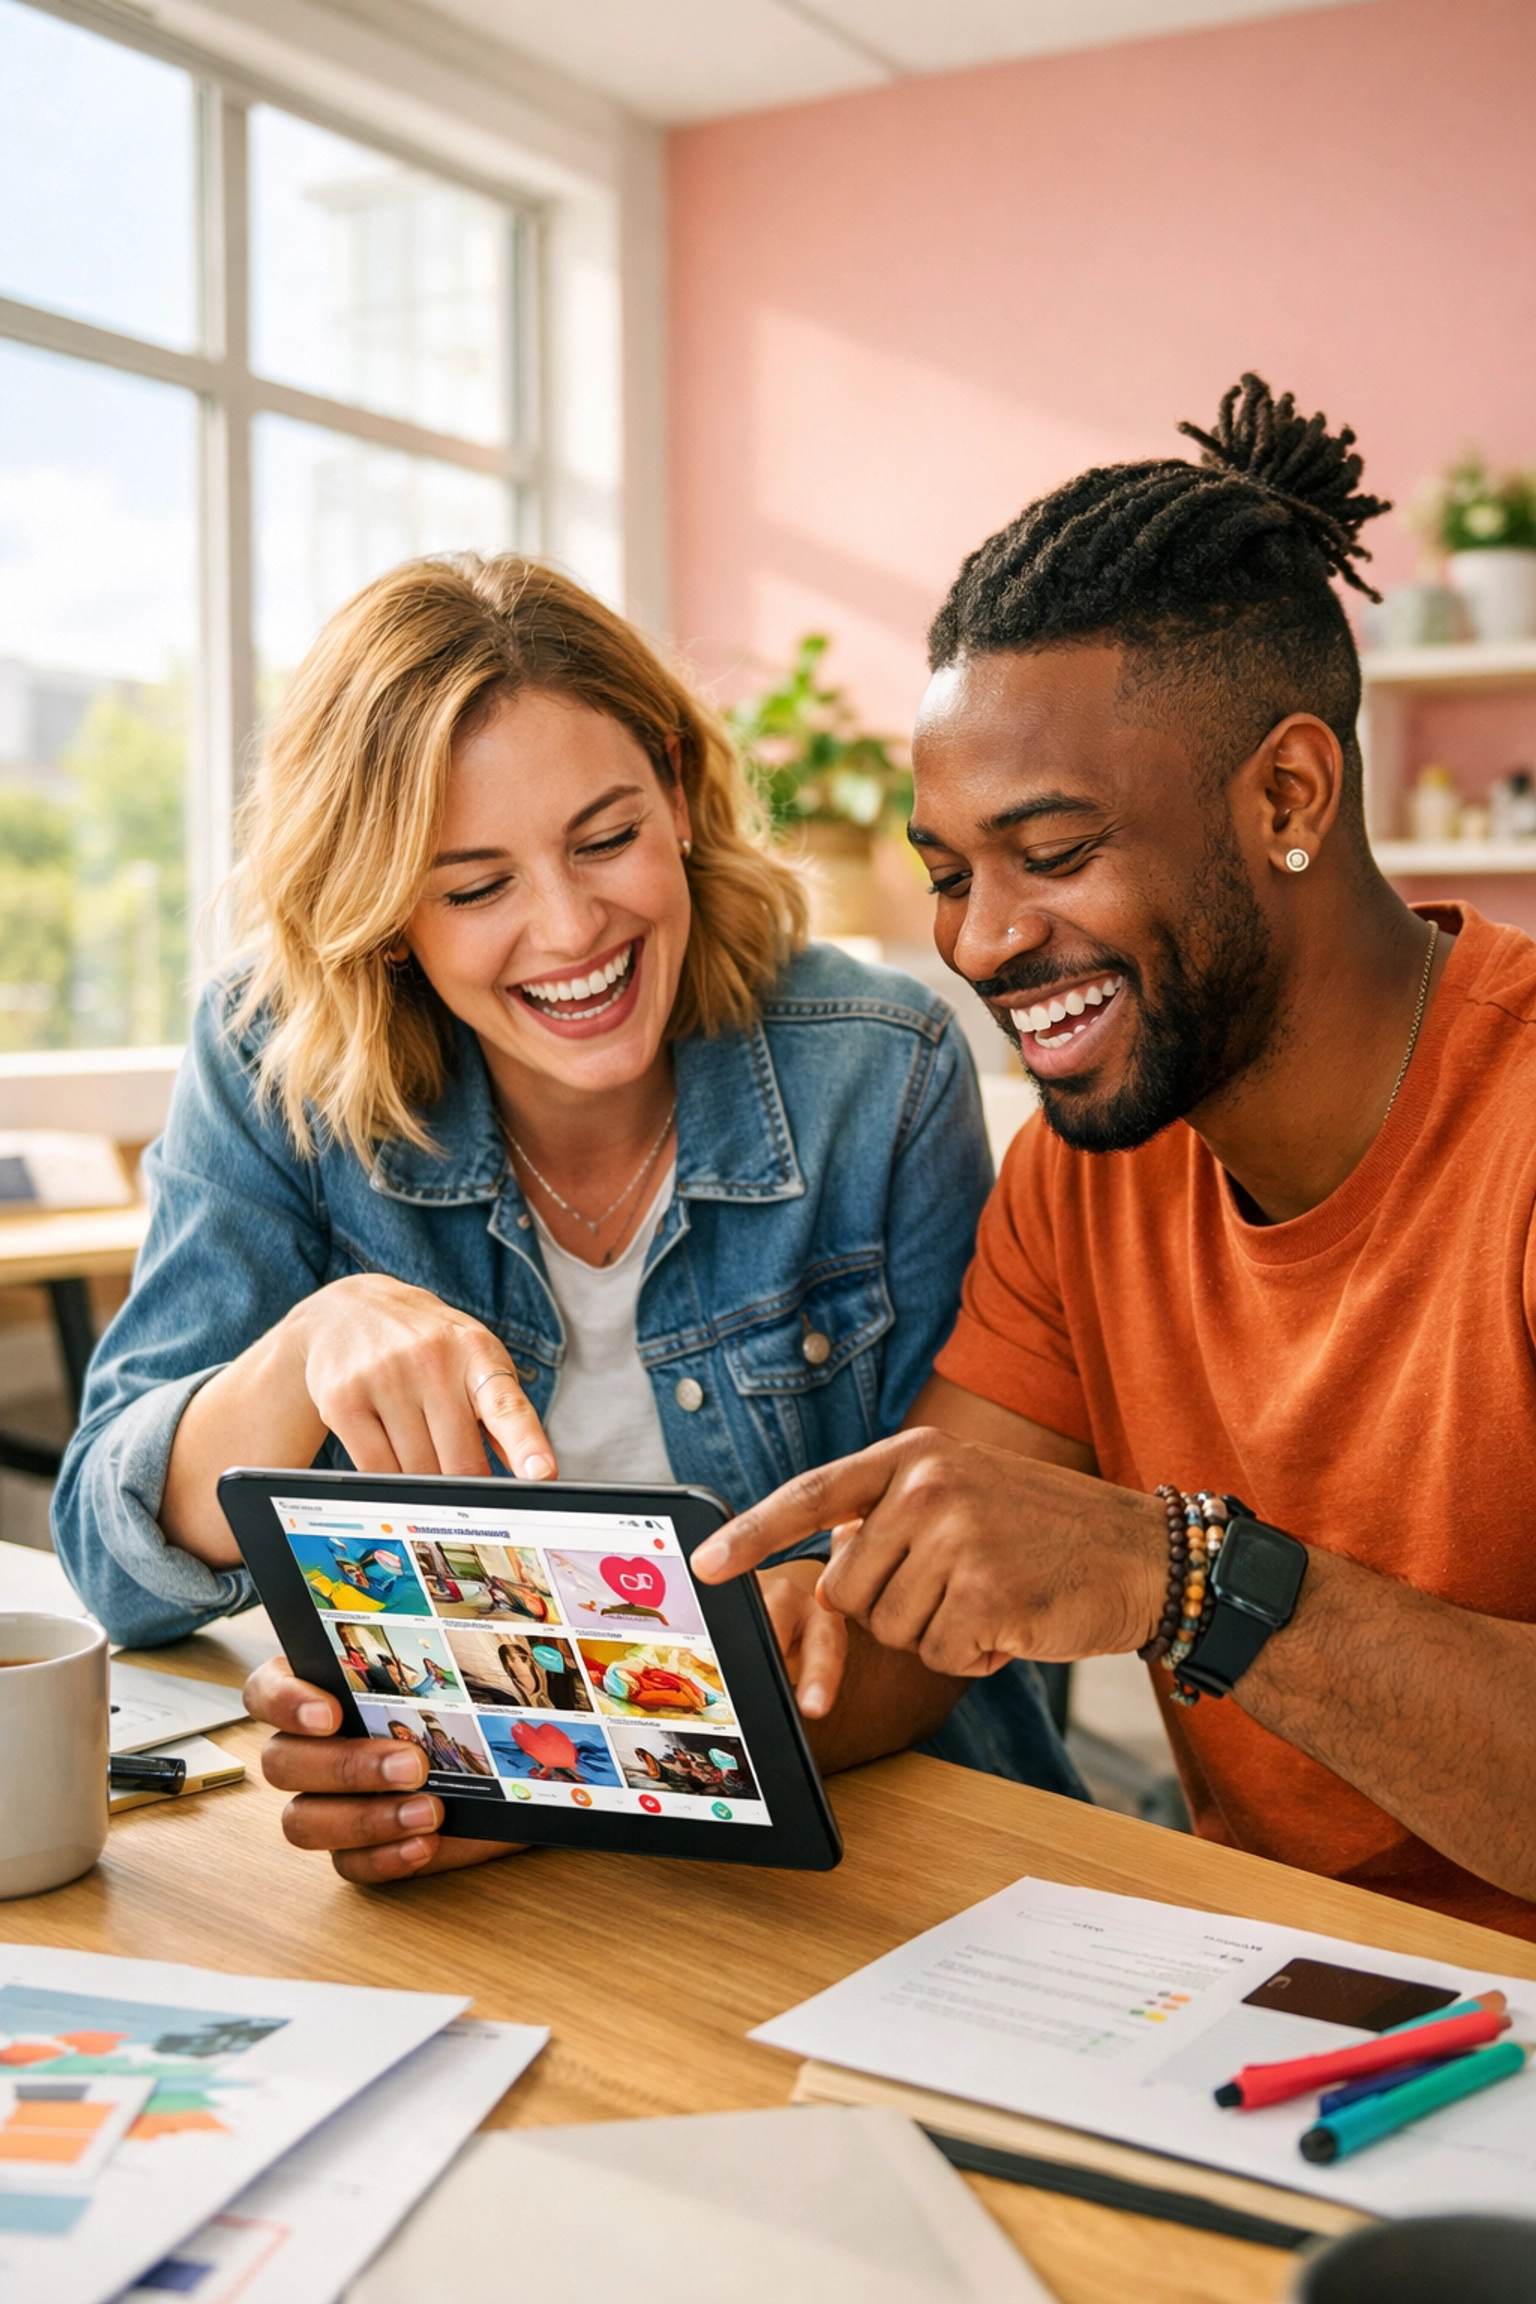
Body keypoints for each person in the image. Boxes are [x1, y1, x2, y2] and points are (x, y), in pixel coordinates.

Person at [52, 553, 1080, 1886]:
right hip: (482, 1881)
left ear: (681, 792)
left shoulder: (876, 1070)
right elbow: (110, 1561)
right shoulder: (275, 1069)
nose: (570, 925)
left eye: (606, 839)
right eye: (475, 886)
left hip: (875, 1845)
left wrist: (547, 1773)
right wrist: (299, 1355)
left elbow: (942, 1605)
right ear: (382, 919)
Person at [696, 374, 1536, 1941]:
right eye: (950, 873)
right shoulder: (1093, 1162)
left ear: (1289, 791)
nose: (983, 939)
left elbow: (1163, 1576)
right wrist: (499, 1750)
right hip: (1263, 1997)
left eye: (1056, 853)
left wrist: (1193, 1579)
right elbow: (902, 1615)